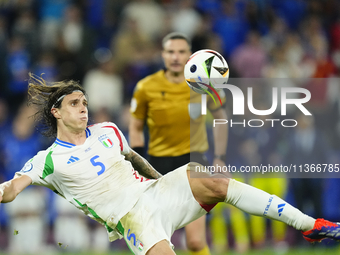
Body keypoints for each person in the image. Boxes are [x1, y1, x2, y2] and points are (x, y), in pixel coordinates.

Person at [1, 74, 340, 255]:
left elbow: (134, 158)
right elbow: (12, 190)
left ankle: (311, 225)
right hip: (131, 219)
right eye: (75, 103)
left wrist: (166, 186)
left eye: (85, 102)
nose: (83, 108)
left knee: (212, 179)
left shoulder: (107, 131)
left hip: (157, 192)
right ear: (57, 112)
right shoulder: (47, 161)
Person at [129, 32, 228, 254]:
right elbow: (135, 128)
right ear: (162, 55)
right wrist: (136, 166)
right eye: (170, 52)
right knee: (156, 239)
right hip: (156, 167)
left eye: (181, 52)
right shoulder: (146, 87)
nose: (175, 57)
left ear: (190, 55)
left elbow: (221, 119)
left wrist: (220, 157)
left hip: (194, 163)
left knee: (194, 242)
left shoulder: (203, 83)